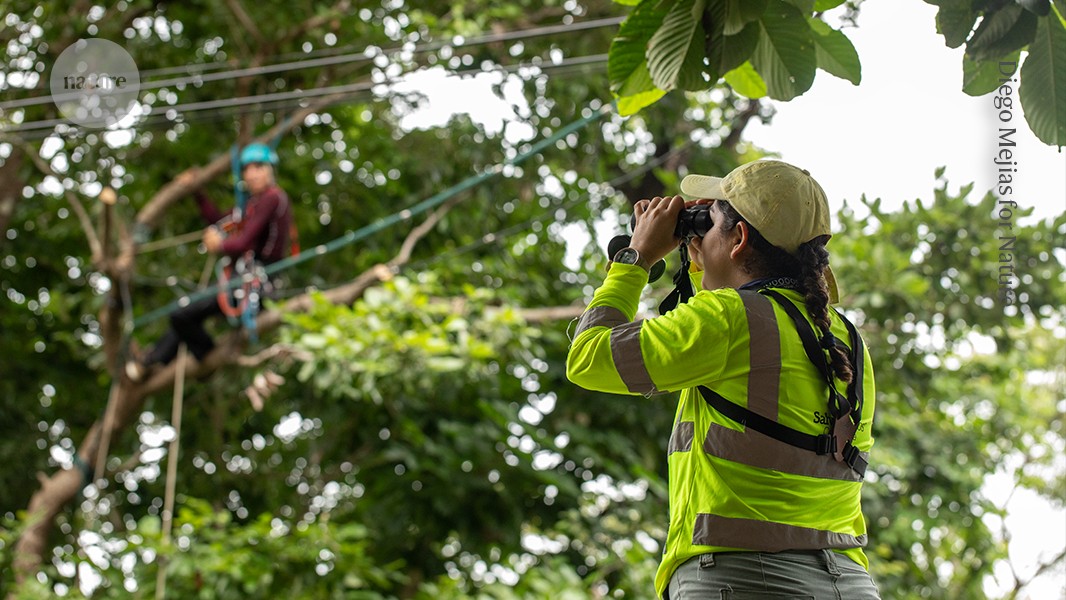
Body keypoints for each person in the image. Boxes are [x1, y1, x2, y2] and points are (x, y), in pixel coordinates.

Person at [566, 159, 880, 599]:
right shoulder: (845, 337)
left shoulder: (729, 321)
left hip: (743, 577)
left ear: (739, 238)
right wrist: (704, 253)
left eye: (709, 220)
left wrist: (634, 257)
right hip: (847, 581)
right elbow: (737, 328)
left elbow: (588, 356)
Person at [126, 143, 294, 382]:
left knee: (181, 313)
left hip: (255, 283)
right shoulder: (251, 205)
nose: (252, 174)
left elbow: (243, 242)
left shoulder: (272, 198)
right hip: (243, 280)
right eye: (247, 169)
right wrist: (197, 192)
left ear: (270, 170)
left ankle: (201, 353)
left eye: (258, 167)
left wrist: (220, 245)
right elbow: (219, 221)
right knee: (185, 314)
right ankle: (153, 360)